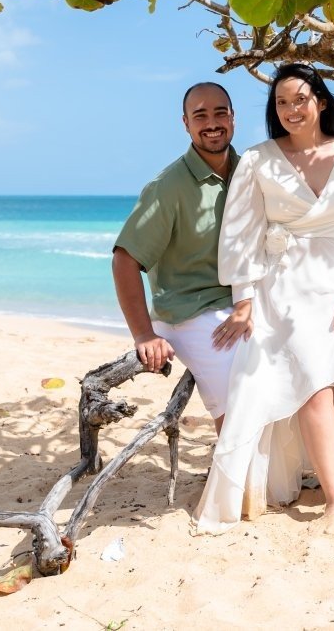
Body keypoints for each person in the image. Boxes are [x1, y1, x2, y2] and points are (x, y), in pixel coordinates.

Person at [194, 63, 334, 535]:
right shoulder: (258, 160)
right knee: (314, 388)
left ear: (321, 102)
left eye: (300, 99)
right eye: (281, 102)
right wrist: (244, 299)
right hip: (286, 288)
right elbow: (240, 233)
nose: (290, 109)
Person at [112, 82, 238, 433]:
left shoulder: (248, 172)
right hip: (188, 311)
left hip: (242, 305)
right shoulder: (167, 186)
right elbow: (124, 260)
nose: (212, 123)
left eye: (220, 113)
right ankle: (237, 469)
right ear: (186, 123)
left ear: (233, 117)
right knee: (240, 399)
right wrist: (143, 335)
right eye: (200, 116)